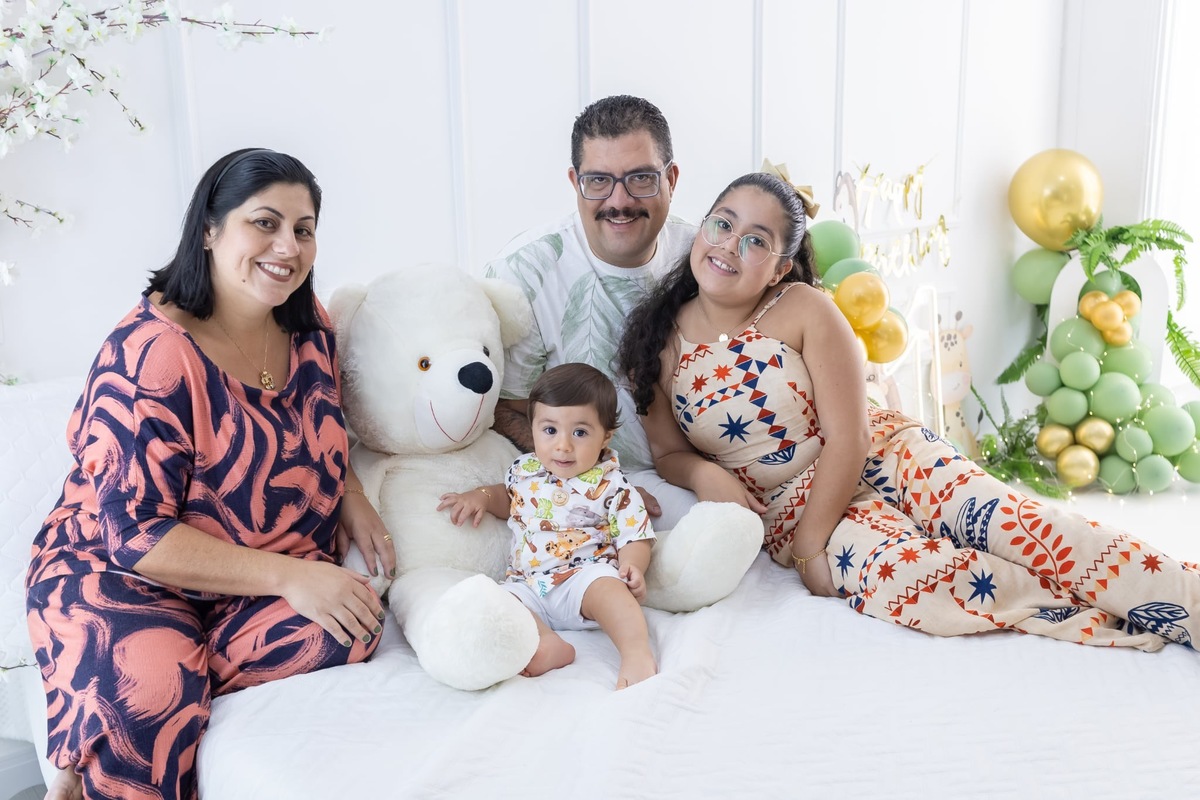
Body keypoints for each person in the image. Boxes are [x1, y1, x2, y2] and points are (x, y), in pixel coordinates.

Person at [617, 169, 1200, 651]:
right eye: (722, 224)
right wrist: (703, 472)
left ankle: (1184, 603)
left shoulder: (803, 308)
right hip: (787, 505)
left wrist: (811, 548)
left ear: (779, 266)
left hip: (885, 459)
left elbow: (851, 438)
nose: (729, 245)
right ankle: (1117, 611)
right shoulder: (655, 341)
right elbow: (668, 450)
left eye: (755, 240)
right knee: (915, 581)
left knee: (1019, 526)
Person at [25, 148, 397, 800]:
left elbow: (323, 434)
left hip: (246, 576)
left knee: (351, 623)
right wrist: (293, 576)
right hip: (121, 573)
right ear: (208, 230)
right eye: (265, 222)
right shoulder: (153, 354)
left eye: (304, 229)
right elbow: (136, 536)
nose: (288, 245)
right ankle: (112, 714)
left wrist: (352, 495)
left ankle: (106, 703)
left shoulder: (310, 328)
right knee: (154, 692)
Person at [485, 94, 700, 528]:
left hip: (702, 469)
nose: (618, 200)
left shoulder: (701, 258)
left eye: (641, 178)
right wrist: (600, 481)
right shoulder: (525, 273)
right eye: (598, 180)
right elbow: (503, 410)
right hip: (585, 488)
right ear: (574, 182)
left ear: (671, 179)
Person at [438, 363, 658, 689]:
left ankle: (636, 652)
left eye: (580, 433)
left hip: (583, 578)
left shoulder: (612, 484)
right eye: (550, 430)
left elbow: (635, 534)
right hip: (528, 584)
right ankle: (545, 641)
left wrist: (632, 566)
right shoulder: (524, 470)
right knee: (499, 601)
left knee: (611, 592)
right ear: (534, 427)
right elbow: (509, 500)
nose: (563, 445)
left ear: (605, 436)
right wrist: (482, 497)